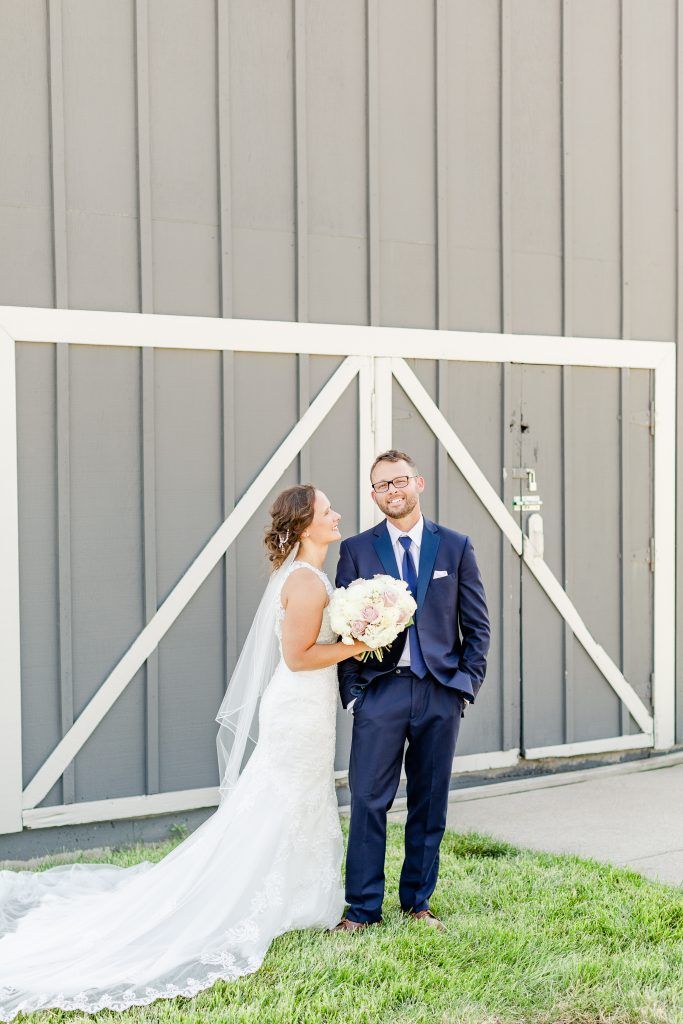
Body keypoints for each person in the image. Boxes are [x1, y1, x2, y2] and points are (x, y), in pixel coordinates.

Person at [0, 484, 367, 1021]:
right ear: (306, 525)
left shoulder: (309, 576)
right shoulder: (308, 582)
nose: (337, 516)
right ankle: (272, 897)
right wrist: (363, 642)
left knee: (299, 799)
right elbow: (297, 657)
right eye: (327, 510)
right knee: (282, 800)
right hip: (297, 709)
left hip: (307, 711)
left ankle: (300, 898)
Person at [334, 449, 491, 933]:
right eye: (382, 485)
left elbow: (477, 626)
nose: (393, 490)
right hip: (381, 692)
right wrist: (354, 691)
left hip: (439, 692)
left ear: (419, 483)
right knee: (367, 801)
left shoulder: (455, 547)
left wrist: (464, 685)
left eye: (400, 480)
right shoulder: (358, 550)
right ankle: (361, 909)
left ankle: (417, 903)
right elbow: (342, 629)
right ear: (374, 495)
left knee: (429, 801)